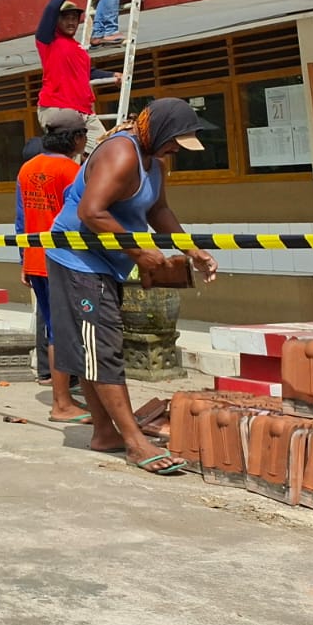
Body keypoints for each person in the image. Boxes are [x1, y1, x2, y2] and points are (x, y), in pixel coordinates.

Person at [47, 99, 219, 475]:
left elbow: (159, 211)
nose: (176, 151)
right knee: (103, 347)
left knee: (96, 347)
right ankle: (134, 443)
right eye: (175, 142)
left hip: (109, 262)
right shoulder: (120, 154)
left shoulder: (154, 162)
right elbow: (90, 211)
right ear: (159, 132)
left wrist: (192, 251)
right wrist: (140, 251)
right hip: (78, 259)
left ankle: (105, 433)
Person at [14, 113, 89, 421]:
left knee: (54, 328)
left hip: (36, 259)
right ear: (76, 139)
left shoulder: (26, 169)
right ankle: (63, 403)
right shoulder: (72, 171)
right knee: (68, 332)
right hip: (65, 262)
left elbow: (20, 219)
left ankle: (64, 399)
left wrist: (23, 259)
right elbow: (83, 217)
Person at [34, 0, 113, 151]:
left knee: (105, 150)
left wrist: (112, 75)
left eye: (74, 18)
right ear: (57, 21)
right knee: (73, 157)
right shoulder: (48, 39)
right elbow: (51, 8)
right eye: (66, 18)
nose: (71, 22)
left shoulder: (77, 48)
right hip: (59, 109)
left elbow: (87, 72)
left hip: (84, 112)